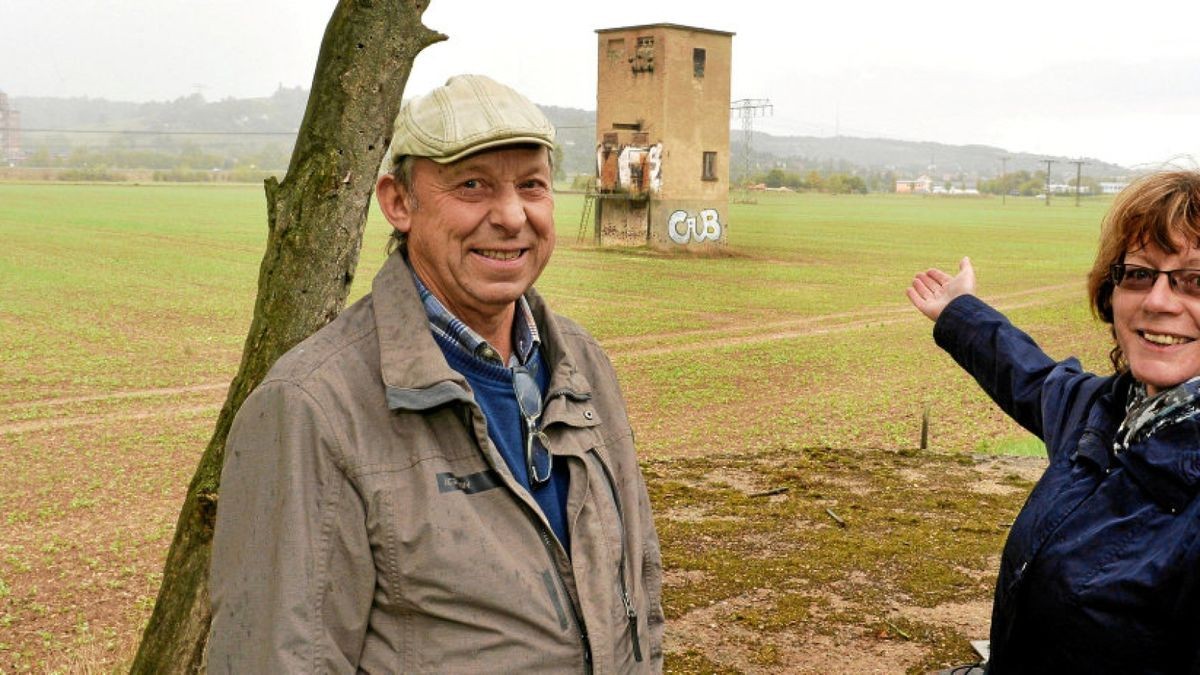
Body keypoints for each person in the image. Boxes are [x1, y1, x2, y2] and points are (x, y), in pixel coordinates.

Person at [209, 74, 664, 672]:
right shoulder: (311, 407)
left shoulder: (583, 364)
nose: (510, 216)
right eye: (472, 186)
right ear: (399, 202)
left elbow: (641, 589)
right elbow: (276, 657)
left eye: (532, 185)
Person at [907, 170, 1200, 673]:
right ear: (1111, 294)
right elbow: (1030, 376)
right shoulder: (1108, 415)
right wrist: (959, 311)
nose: (1157, 300)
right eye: (1138, 274)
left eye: (1194, 281)